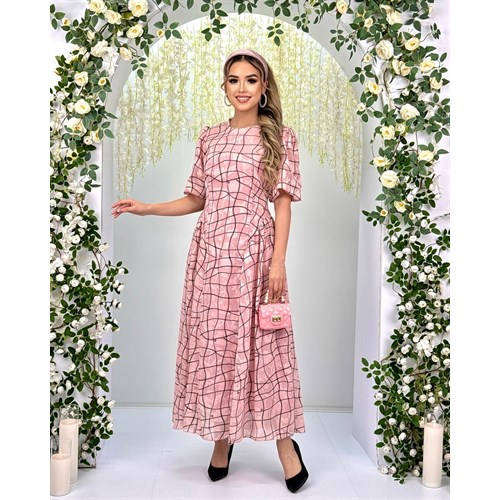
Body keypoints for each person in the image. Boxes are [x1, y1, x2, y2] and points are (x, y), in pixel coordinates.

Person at [111, 48, 308, 493]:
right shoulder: (210, 137)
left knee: (267, 349)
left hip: (256, 254)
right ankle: (222, 439)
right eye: (234, 80)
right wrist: (147, 207)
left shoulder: (281, 137)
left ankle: (285, 448)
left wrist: (278, 261)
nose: (242, 88)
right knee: (218, 347)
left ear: (264, 87)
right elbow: (197, 198)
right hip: (211, 254)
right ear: (224, 87)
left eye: (251, 80)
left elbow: (282, 204)